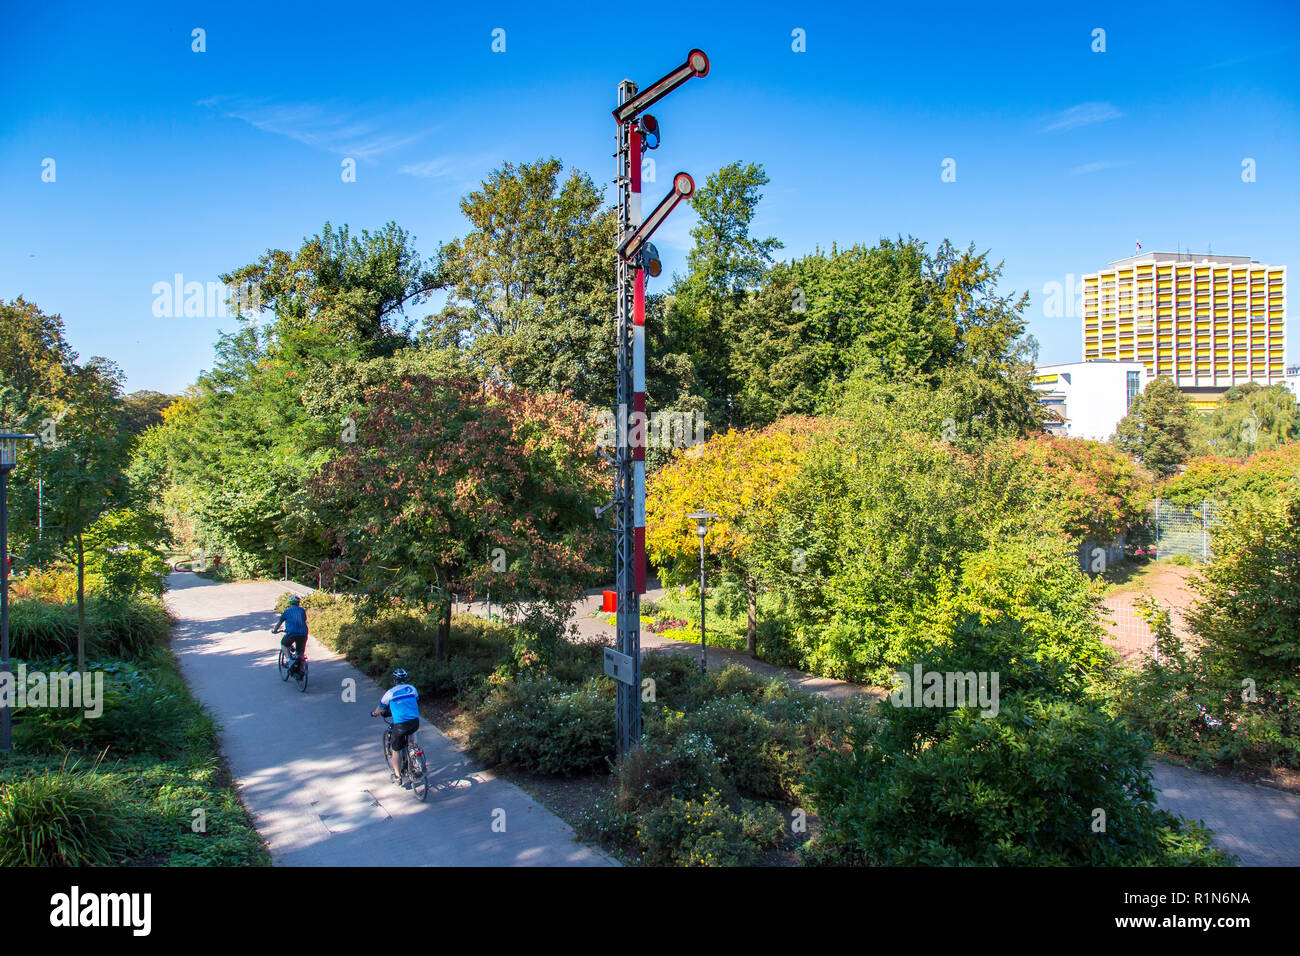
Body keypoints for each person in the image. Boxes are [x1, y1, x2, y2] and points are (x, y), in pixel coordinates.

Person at [372, 668, 420, 785]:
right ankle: (416, 759)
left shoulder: (390, 693)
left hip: (400, 725)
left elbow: (380, 708)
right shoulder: (412, 689)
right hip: (414, 722)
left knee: (396, 750)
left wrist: (375, 713)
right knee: (412, 739)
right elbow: (414, 700)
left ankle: (398, 776)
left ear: (394, 681)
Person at [272, 595, 309, 675]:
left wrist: (275, 630)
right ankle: (302, 668)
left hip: (291, 633)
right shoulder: (302, 611)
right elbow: (304, 620)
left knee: (284, 644)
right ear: (298, 603)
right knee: (300, 652)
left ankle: (288, 660)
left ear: (290, 603)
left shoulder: (287, 612)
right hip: (303, 634)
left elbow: (279, 623)